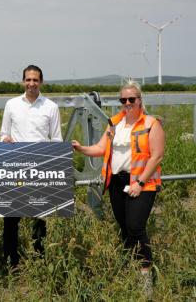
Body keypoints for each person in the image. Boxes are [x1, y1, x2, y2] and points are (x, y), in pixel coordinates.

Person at [71, 80, 164, 297]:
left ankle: (145, 279)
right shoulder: (114, 124)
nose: (127, 103)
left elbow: (157, 156)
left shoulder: (151, 123)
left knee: (136, 227)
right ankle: (129, 269)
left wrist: (140, 183)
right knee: (124, 227)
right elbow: (101, 148)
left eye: (132, 99)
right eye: (123, 100)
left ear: (140, 100)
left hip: (142, 183)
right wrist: (81, 148)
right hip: (116, 182)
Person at [0, 64, 62, 268]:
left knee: (40, 217)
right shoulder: (11, 104)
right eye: (28, 79)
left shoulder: (51, 107)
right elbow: (3, 134)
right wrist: (5, 140)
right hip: (15, 165)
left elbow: (57, 139)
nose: (31, 83)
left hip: (40, 167)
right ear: (23, 81)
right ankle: (11, 261)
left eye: (35, 80)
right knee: (11, 217)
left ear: (41, 82)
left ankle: (39, 259)